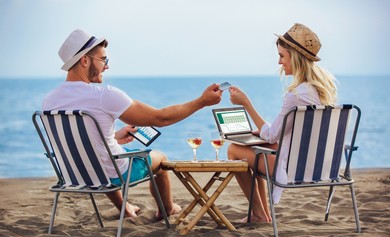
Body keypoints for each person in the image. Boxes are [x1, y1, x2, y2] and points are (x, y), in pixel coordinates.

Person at [42, 28, 222, 220]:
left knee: (107, 156)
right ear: (85, 60)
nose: (106, 66)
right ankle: (166, 209)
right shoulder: (104, 95)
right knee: (160, 158)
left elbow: (79, 139)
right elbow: (161, 118)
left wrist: (115, 136)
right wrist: (202, 101)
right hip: (109, 176)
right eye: (103, 60)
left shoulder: (49, 101)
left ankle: (125, 208)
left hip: (75, 175)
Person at [227, 23, 337, 223]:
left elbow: (271, 135)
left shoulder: (295, 95)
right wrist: (262, 134)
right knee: (260, 144)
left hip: (296, 170)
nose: (279, 62)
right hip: (320, 166)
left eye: (282, 56)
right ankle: (261, 213)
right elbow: (277, 134)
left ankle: (260, 214)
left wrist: (246, 104)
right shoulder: (319, 90)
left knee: (235, 150)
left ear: (294, 57)